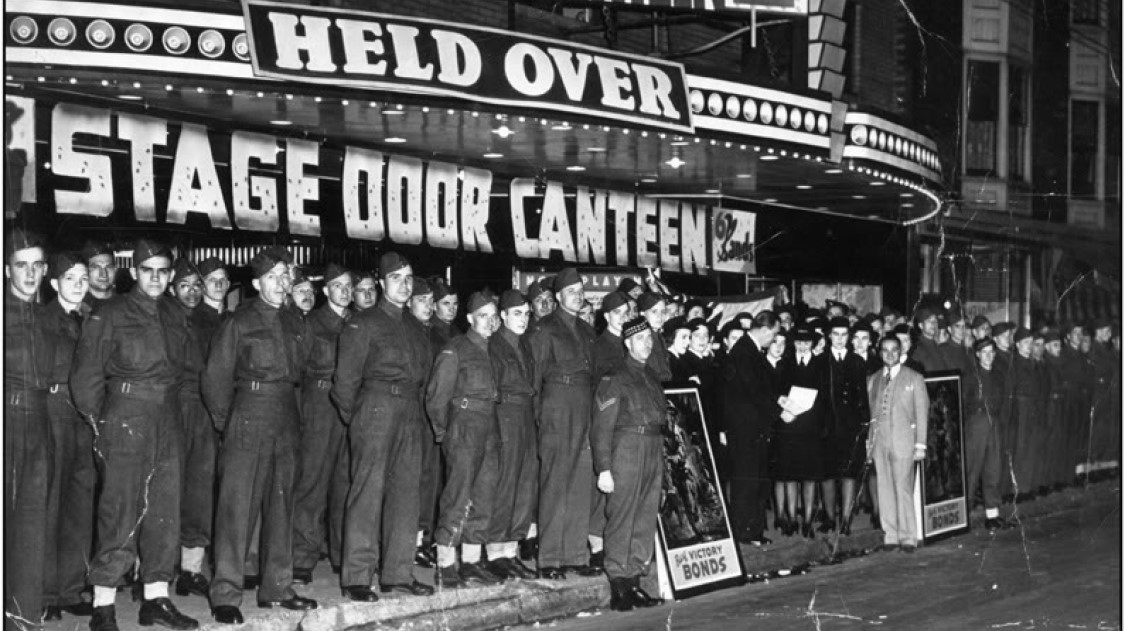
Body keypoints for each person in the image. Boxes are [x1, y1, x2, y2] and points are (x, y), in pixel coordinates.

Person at [71, 238, 198, 631]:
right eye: (148, 271)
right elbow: (86, 378)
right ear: (135, 273)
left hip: (167, 417)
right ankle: (104, 606)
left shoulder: (176, 314)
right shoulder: (110, 312)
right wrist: (102, 427)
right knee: (120, 510)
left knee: (164, 511)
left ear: (171, 275)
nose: (156, 277)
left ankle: (156, 599)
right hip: (125, 417)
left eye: (163, 270)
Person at [203, 247, 317, 624]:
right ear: (256, 283)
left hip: (286, 412)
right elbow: (215, 379)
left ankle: (277, 587)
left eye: (286, 277)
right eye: (273, 277)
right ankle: (225, 593)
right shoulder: (239, 321)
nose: (281, 284)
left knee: (282, 505)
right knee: (237, 508)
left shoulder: (295, 321)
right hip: (249, 412)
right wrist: (229, 423)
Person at [333, 252, 434, 600]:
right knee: (367, 493)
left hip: (409, 409)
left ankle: (397, 574)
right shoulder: (365, 323)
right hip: (375, 408)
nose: (404, 285)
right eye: (396, 278)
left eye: (409, 278)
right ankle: (358, 577)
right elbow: (344, 383)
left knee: (406, 495)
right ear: (381, 282)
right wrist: (360, 419)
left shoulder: (416, 328)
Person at [426, 292, 504, 587]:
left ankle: (471, 562)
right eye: (483, 315)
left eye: (493, 316)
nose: (489, 321)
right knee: (458, 496)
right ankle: (445, 564)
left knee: (484, 495)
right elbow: (436, 397)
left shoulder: (492, 350)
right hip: (464, 425)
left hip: (489, 425)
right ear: (470, 318)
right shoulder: (455, 348)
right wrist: (445, 433)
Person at [526, 268, 599, 579]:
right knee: (555, 483)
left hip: (584, 405)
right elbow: (533, 381)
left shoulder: (586, 330)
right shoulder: (544, 329)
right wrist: (542, 420)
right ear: (558, 297)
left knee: (581, 482)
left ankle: (574, 555)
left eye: (580, 291)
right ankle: (550, 559)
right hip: (557, 406)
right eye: (571, 292)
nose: (578, 296)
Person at [591, 316, 665, 611]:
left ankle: (634, 580)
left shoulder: (651, 377)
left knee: (644, 517)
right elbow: (601, 428)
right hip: (627, 450)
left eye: (649, 338)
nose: (647, 344)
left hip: (652, 448)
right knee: (622, 516)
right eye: (640, 339)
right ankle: (618, 584)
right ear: (627, 343)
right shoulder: (614, 378)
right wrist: (604, 468)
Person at [5, 230, 57, 630]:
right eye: (21, 264)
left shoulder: (47, 317)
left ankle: (24, 615)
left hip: (40, 421)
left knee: (32, 521)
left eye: (36, 265)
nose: (29, 273)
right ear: (7, 270)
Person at [41, 252, 96, 621]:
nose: (78, 284)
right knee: (50, 504)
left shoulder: (96, 317)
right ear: (54, 283)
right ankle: (43, 591)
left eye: (82, 278)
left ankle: (71, 588)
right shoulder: (42, 319)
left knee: (81, 503)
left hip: (87, 415)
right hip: (54, 411)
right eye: (70, 278)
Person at [292, 263, 352, 584]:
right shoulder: (312, 323)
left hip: (350, 407)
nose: (344, 291)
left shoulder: (357, 323)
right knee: (312, 482)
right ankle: (303, 556)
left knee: (345, 482)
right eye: (337, 286)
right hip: (319, 404)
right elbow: (298, 369)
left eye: (348, 286)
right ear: (325, 290)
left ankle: (342, 553)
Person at [166, 259, 215, 600]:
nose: (193, 291)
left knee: (198, 491)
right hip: (169, 408)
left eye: (198, 285)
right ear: (172, 288)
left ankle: (191, 570)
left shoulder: (209, 322)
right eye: (185, 285)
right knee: (165, 492)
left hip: (202, 409)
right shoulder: (159, 318)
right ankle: (152, 572)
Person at [485, 290, 539, 581]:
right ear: (503, 315)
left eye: (526, 314)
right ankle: (495, 554)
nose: (523, 319)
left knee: (523, 486)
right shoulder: (494, 345)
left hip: (524, 417)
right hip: (504, 416)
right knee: (504, 486)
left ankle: (510, 551)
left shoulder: (525, 345)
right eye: (517, 313)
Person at [721, 310, 781, 546]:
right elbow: (753, 391)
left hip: (753, 427)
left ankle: (753, 531)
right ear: (765, 330)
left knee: (755, 480)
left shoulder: (752, 350)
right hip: (745, 429)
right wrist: (779, 411)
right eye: (774, 335)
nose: (774, 340)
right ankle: (744, 533)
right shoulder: (745, 352)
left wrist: (780, 401)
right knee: (746, 481)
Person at [866, 336, 929, 552]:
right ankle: (890, 535)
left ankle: (908, 537)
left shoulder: (914, 378)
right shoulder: (873, 379)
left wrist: (920, 445)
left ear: (901, 351)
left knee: (903, 488)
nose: (890, 354)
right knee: (884, 488)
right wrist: (869, 444)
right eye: (885, 350)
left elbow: (922, 413)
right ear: (880, 353)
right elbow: (871, 414)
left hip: (903, 441)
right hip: (880, 442)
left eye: (894, 350)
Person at [771, 327, 829, 538]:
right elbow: (777, 391)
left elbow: (824, 396)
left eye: (807, 343)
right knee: (790, 475)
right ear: (793, 343)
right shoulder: (784, 364)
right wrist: (785, 410)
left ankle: (807, 521)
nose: (803, 346)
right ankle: (791, 519)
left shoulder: (821, 364)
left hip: (810, 427)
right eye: (798, 342)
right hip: (788, 425)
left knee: (809, 476)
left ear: (813, 344)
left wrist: (819, 421)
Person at [588, 290, 631, 569]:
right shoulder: (601, 345)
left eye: (628, 312)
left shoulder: (632, 343)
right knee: (603, 488)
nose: (623, 318)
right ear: (607, 316)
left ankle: (614, 543)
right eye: (618, 313)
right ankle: (597, 545)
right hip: (609, 420)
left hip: (628, 423)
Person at [825, 317, 872, 536]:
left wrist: (864, 424)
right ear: (829, 336)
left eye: (844, 335)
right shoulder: (822, 360)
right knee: (828, 473)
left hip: (851, 427)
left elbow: (862, 395)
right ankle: (828, 518)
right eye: (836, 334)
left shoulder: (857, 361)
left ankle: (845, 520)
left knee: (850, 474)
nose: (840, 339)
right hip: (827, 427)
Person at [408, 277, 442, 566]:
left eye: (431, 301)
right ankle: (410, 541)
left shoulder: (433, 334)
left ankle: (423, 539)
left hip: (430, 416)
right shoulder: (406, 331)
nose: (428, 306)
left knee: (430, 481)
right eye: (422, 300)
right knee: (412, 482)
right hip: (411, 415)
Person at [963, 337, 1007, 531]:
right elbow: (964, 403)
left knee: (993, 468)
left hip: (994, 423)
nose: (989, 356)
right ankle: (965, 515)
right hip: (976, 424)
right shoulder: (971, 376)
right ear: (977, 354)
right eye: (984, 352)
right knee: (972, 469)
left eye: (992, 352)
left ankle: (992, 514)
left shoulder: (998, 375)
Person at [637, 292, 672, 382]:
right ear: (642, 314)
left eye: (663, 312)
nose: (660, 316)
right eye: (654, 311)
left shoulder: (660, 337)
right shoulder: (641, 339)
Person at [81, 240, 117, 310]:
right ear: (85, 271)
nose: (103, 274)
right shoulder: (75, 308)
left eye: (108, 267)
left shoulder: (128, 306)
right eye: (96, 267)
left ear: (115, 270)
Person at [911, 308, 948, 373]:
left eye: (935, 321)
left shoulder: (938, 347)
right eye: (929, 321)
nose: (933, 324)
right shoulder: (916, 348)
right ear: (921, 325)